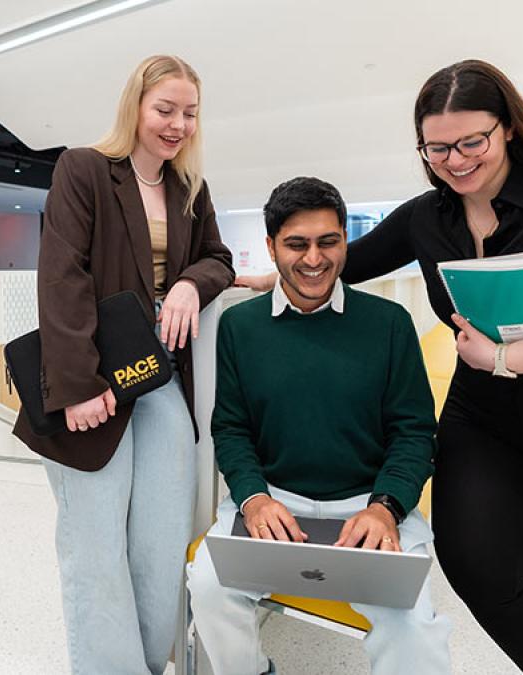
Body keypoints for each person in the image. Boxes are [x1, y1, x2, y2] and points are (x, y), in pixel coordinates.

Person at [240, 60, 523, 675]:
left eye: (474, 141)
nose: (457, 159)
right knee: (476, 565)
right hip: (487, 417)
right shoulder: (428, 217)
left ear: (509, 129)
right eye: (438, 147)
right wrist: (268, 278)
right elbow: (347, 260)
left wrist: (502, 356)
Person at [11, 54, 234, 674]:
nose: (177, 125)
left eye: (189, 113)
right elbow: (62, 279)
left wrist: (191, 283)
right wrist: (78, 386)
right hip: (90, 383)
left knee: (161, 541)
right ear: (135, 106)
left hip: (159, 378)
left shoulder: (190, 188)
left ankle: (149, 663)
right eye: (165, 109)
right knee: (95, 544)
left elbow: (219, 257)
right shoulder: (84, 170)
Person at [187, 177, 451, 675]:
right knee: (208, 586)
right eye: (296, 244)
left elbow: (414, 433)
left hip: (370, 505)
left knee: (412, 627)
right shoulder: (240, 327)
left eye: (328, 241)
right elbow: (232, 428)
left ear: (344, 241)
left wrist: (386, 508)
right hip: (273, 501)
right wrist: (253, 497)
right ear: (270, 247)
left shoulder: (389, 323)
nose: (314, 259)